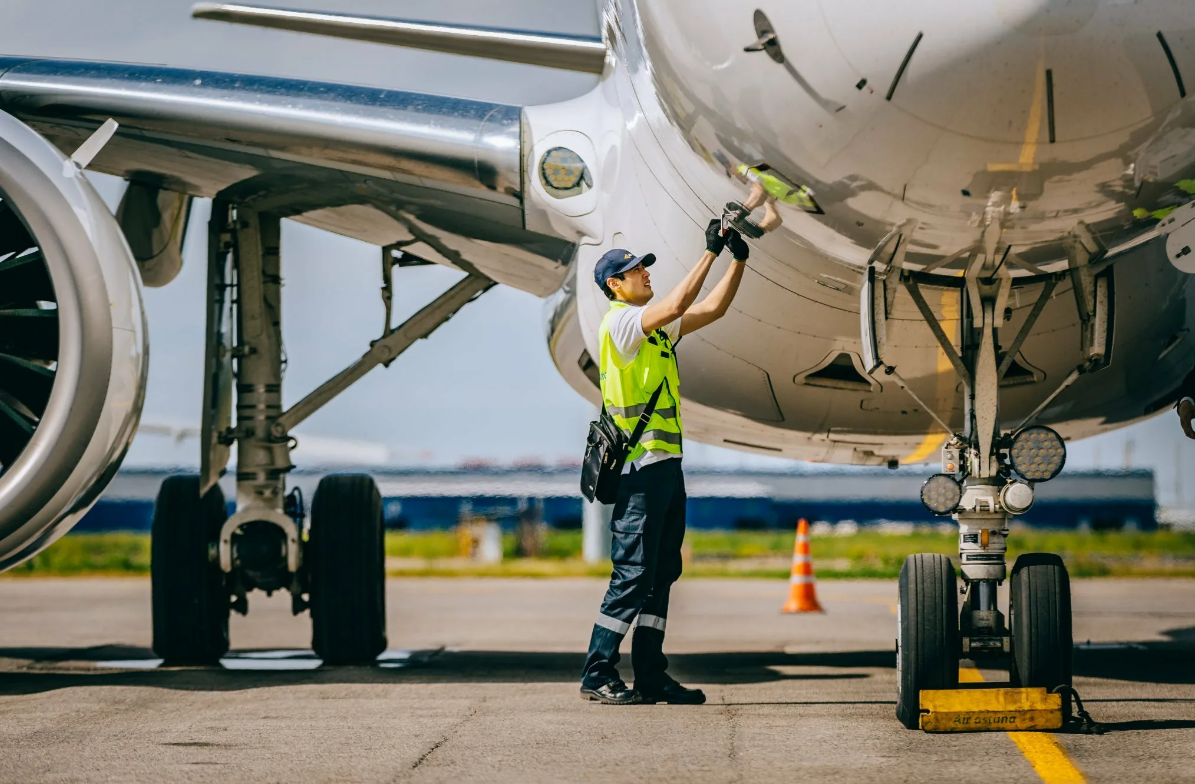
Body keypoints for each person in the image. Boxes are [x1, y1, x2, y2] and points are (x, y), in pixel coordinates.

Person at [580, 219, 750, 705]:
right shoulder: (622, 324)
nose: (645, 275)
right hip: (639, 472)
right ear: (615, 285)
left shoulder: (651, 334)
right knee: (633, 574)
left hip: (665, 469)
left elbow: (711, 309)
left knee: (660, 575)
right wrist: (710, 252)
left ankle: (651, 674)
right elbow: (676, 304)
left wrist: (738, 259)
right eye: (636, 271)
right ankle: (597, 672)